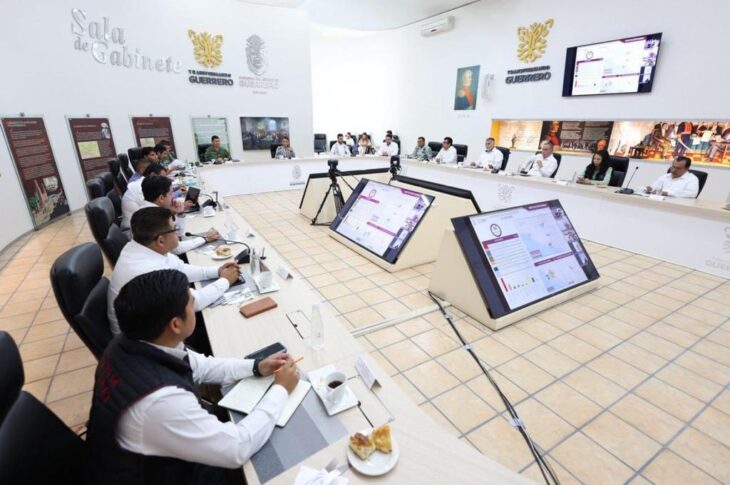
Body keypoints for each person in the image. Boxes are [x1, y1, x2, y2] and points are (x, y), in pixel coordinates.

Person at [87, 269, 299, 484]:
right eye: (191, 302)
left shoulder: (131, 342)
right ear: (175, 324)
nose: (195, 303)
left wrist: (256, 367)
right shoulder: (160, 401)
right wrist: (281, 389)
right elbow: (237, 449)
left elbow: (202, 366)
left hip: (162, 456)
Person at [108, 206, 240, 334]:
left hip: (155, 321)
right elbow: (193, 302)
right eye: (175, 229)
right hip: (146, 340)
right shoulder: (147, 272)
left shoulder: (143, 247)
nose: (178, 232)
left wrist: (218, 271)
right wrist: (225, 281)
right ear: (161, 241)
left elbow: (181, 269)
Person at [139, 176, 218, 254]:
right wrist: (205, 238)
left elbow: (179, 234)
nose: (173, 197)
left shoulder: (147, 209)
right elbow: (176, 248)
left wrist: (179, 213)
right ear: (161, 198)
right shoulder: (153, 218)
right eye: (171, 194)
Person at [121, 162, 169, 230]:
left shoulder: (144, 183)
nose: (164, 181)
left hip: (142, 223)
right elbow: (155, 211)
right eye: (162, 178)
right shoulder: (141, 188)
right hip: (134, 229)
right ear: (153, 175)